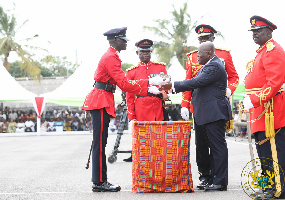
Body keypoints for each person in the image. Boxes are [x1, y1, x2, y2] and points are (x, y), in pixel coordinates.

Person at [82, 27, 166, 192]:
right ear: (114, 40)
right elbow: (124, 84)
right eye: (123, 40)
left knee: (101, 142)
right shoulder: (111, 57)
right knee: (100, 143)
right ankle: (99, 182)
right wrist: (148, 86)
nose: (125, 43)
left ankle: (100, 181)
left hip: (103, 97)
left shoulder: (112, 56)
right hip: (100, 99)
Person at [161, 41, 232, 191]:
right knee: (208, 147)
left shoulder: (214, 66)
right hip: (207, 113)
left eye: (199, 54)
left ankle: (220, 182)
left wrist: (173, 85)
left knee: (217, 147)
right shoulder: (208, 66)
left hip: (214, 113)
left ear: (209, 53)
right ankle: (213, 178)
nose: (197, 57)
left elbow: (197, 81)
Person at [181, 24, 239, 190]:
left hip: (214, 105)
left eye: (206, 38)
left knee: (216, 143)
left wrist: (229, 90)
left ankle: (217, 177)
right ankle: (205, 176)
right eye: (200, 38)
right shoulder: (192, 56)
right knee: (201, 145)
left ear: (213, 38)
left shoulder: (223, 55)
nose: (203, 40)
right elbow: (189, 81)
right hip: (198, 107)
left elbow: (234, 77)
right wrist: (185, 104)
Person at [243, 15, 285, 199]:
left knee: (274, 152)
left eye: (258, 31)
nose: (255, 34)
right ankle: (267, 186)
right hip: (261, 108)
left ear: (269, 31)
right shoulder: (261, 52)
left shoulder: (273, 50)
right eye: (253, 31)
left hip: (271, 108)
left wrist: (254, 99)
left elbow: (274, 82)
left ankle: (279, 190)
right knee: (263, 152)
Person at [124, 39, 168, 162]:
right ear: (137, 53)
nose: (145, 54)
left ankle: (158, 162)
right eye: (143, 52)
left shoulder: (161, 68)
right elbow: (130, 97)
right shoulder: (132, 72)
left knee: (158, 138)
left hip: (157, 107)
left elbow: (168, 88)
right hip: (141, 109)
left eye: (148, 52)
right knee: (142, 139)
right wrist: (131, 117)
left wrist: (162, 91)